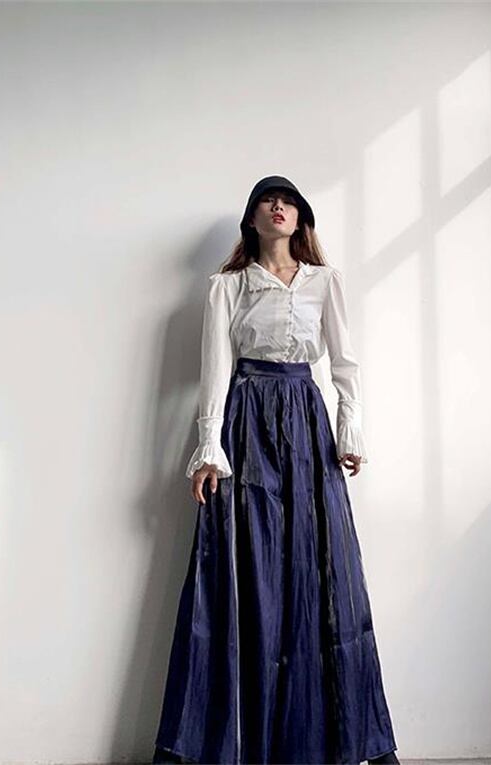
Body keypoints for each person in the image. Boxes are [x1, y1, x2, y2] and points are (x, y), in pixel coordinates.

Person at [152, 176, 400, 765]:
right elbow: (216, 368)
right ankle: (220, 741)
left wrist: (349, 430)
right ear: (253, 218)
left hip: (307, 423)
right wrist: (208, 447)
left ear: (301, 218)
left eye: (288, 201)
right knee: (245, 564)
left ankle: (340, 738)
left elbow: (344, 363)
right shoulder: (227, 286)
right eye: (269, 200)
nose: (279, 207)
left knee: (320, 563)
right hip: (246, 421)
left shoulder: (324, 281)